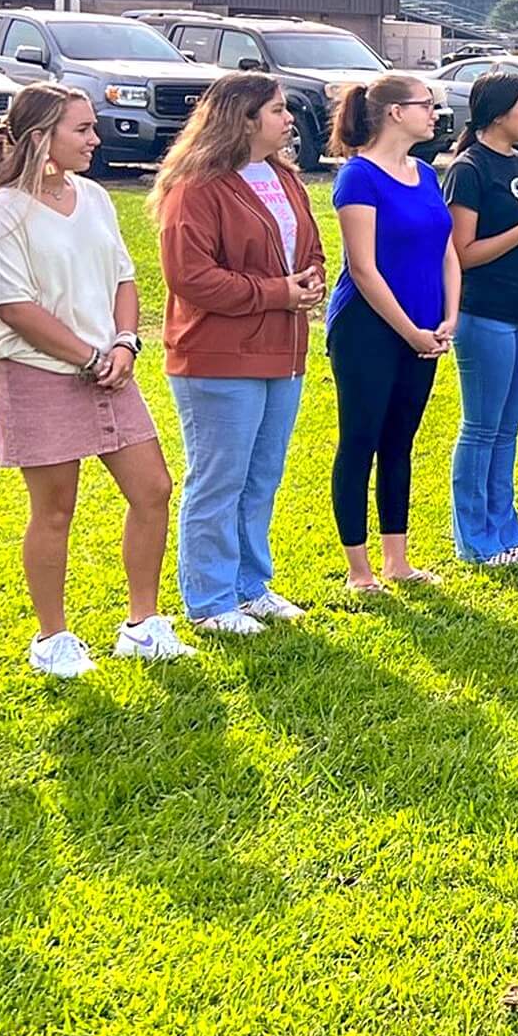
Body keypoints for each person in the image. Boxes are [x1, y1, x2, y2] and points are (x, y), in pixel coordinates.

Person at [0, 84, 194, 677]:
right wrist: (90, 357)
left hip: (110, 370)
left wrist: (122, 343)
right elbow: (13, 306)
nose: (96, 139)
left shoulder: (93, 196)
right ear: (42, 137)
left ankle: (142, 624)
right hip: (39, 372)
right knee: (55, 510)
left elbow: (123, 277)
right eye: (83, 129)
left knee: (153, 489)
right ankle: (53, 638)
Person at [151, 72, 326, 635]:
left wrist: (312, 278)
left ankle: (252, 586)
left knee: (262, 476)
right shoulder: (197, 186)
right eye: (277, 110)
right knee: (219, 479)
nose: (288, 119)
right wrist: (278, 293)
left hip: (283, 352)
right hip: (218, 357)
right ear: (243, 118)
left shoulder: (282, 176)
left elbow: (310, 244)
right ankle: (209, 599)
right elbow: (191, 277)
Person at [328, 74, 460, 591]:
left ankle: (396, 559)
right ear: (393, 113)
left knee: (400, 442)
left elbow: (447, 250)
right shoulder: (358, 178)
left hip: (426, 328)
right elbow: (363, 268)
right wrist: (409, 331)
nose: (435, 114)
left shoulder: (426, 174)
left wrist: (450, 316)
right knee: (360, 440)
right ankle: (359, 570)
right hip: (370, 329)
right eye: (426, 105)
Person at [445, 69, 518, 566]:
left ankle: (505, 529)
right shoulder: (469, 169)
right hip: (485, 312)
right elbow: (462, 253)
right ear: (497, 112)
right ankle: (475, 539)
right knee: (482, 426)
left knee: (508, 428)